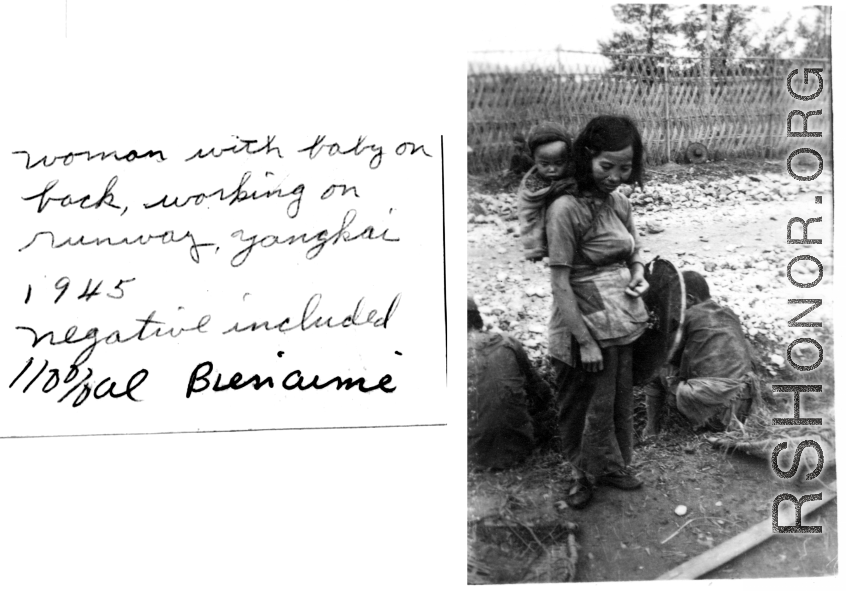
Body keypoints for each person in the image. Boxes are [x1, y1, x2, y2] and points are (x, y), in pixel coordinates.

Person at [545, 115, 650, 509]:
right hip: (581, 322)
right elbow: (560, 282)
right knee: (583, 403)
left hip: (620, 319)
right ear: (586, 156)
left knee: (615, 401)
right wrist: (584, 341)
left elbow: (635, 249)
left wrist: (637, 273)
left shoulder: (619, 202)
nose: (615, 177)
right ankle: (581, 475)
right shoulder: (564, 209)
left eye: (625, 168)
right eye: (607, 166)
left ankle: (612, 466)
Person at [642, 271, 762, 438]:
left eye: (676, 301)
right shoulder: (730, 313)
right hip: (742, 406)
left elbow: (669, 355)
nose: (675, 307)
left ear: (690, 299)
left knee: (657, 371)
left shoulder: (689, 315)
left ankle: (650, 431)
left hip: (714, 410)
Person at [467, 296, 557, 470]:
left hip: (472, 454)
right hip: (520, 445)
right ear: (477, 317)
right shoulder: (507, 341)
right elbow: (540, 389)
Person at [517, 122, 577, 261]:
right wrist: (533, 248)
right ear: (534, 160)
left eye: (559, 163)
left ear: (568, 160)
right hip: (547, 226)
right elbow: (528, 216)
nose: (552, 169)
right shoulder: (533, 185)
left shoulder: (573, 173)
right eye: (544, 164)